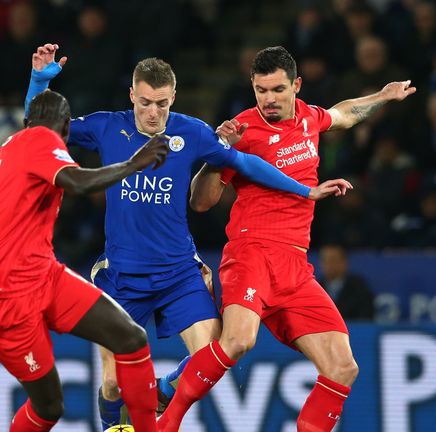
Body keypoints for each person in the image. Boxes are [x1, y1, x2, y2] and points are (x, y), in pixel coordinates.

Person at [25, 44, 351, 430]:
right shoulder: (105, 127)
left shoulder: (191, 131)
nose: (152, 113)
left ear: (173, 98)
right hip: (123, 274)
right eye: (145, 102)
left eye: (161, 104)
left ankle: (162, 397)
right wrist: (37, 83)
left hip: (179, 273)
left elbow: (244, 162)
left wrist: (305, 191)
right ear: (132, 95)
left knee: (213, 353)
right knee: (113, 383)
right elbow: (37, 131)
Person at [159, 46, 415, 432]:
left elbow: (343, 114)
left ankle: (165, 388)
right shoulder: (242, 130)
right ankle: (164, 423)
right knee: (238, 341)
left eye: (277, 89)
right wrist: (218, 153)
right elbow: (201, 202)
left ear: (296, 85)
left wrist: (382, 96)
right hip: (252, 253)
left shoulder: (310, 118)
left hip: (295, 267)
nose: (269, 99)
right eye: (261, 90)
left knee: (343, 367)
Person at [0, 90, 170, 432]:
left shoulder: (2, 161)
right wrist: (135, 164)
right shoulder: (42, 139)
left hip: (43, 275)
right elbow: (76, 183)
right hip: (4, 296)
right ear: (67, 129)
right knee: (48, 407)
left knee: (130, 337)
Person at [317, 244, 374, 321]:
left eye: (333, 260)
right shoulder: (316, 287)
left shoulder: (358, 287)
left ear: (344, 262)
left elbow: (365, 315)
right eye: (325, 260)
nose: (329, 265)